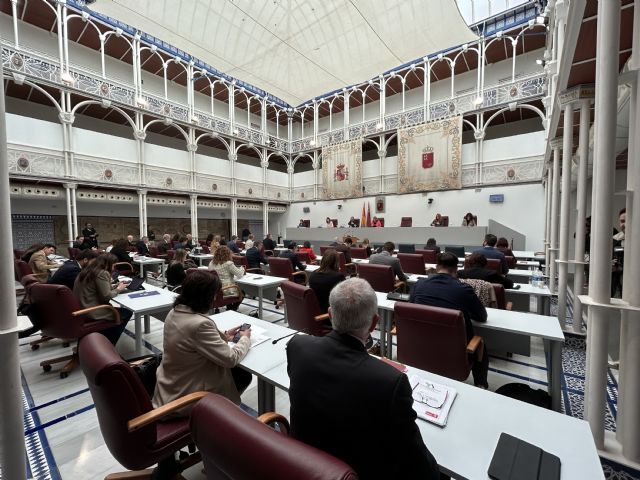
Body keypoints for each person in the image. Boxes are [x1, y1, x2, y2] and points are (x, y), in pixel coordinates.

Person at [287, 278, 439, 480]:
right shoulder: (391, 381)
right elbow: (416, 459)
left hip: (303, 464)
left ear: (331, 315)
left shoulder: (297, 346)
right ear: (375, 323)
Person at [152, 270, 252, 416]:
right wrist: (245, 338)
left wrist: (224, 336)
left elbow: (193, 339)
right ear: (207, 297)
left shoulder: (174, 312)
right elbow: (231, 359)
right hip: (186, 396)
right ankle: (220, 414)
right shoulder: (200, 325)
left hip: (171, 384)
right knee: (242, 374)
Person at [410, 252, 489, 388]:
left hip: (420, 348)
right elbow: (482, 316)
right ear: (456, 269)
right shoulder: (463, 290)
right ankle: (481, 386)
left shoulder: (419, 285)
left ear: (436, 266)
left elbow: (412, 309)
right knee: (481, 345)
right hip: (455, 356)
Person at [73, 253, 133, 345]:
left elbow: (96, 289)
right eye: (113, 265)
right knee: (126, 313)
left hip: (81, 308)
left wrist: (116, 285)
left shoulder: (87, 271)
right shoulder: (102, 273)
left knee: (120, 311)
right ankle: (108, 343)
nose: (113, 268)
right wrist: (119, 289)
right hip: (92, 311)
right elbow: (106, 296)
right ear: (108, 264)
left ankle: (99, 338)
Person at [209, 245, 245, 310]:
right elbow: (239, 274)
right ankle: (232, 310)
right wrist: (242, 268)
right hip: (227, 289)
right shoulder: (228, 264)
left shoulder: (211, 263)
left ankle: (230, 309)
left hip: (215, 289)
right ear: (227, 254)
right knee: (242, 293)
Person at [309, 250, 345, 314]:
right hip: (333, 315)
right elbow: (345, 296)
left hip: (316, 312)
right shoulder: (338, 277)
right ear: (336, 262)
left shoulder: (312, 275)